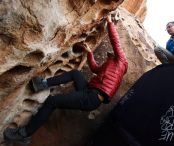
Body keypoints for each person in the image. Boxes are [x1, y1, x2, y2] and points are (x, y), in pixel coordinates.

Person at [3, 15, 128, 144]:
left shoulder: (121, 61)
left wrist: (109, 22)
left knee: (52, 101)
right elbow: (95, 69)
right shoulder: (111, 65)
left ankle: (24, 134)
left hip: (93, 98)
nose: (109, 56)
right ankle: (43, 84)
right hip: (89, 92)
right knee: (75, 73)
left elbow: (116, 42)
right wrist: (89, 53)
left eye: (111, 55)